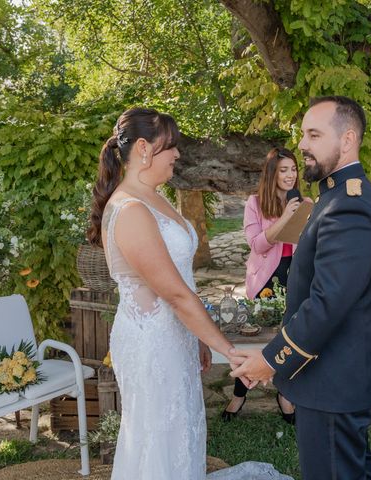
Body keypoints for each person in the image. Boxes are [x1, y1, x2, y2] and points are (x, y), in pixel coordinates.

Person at [231, 96, 371, 479]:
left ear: (348, 139)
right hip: (333, 375)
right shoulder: (333, 197)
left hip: (332, 380)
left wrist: (270, 360)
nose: (302, 144)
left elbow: (327, 304)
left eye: (313, 134)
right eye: (303, 134)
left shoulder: (350, 205)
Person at [88, 107, 240, 479]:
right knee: (156, 436)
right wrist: (230, 351)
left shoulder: (156, 197)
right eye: (170, 147)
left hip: (174, 336)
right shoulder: (130, 209)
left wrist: (197, 336)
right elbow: (174, 295)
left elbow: (181, 279)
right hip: (150, 342)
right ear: (143, 148)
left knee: (180, 429)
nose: (176, 155)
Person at [221, 147, 302, 424]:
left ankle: (285, 393)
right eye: (284, 170)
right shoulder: (255, 203)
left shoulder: (300, 202)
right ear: (272, 173)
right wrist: (285, 219)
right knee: (255, 339)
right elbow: (257, 244)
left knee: (289, 337)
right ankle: (240, 394)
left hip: (297, 276)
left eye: (293, 169)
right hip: (266, 278)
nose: (290, 175)